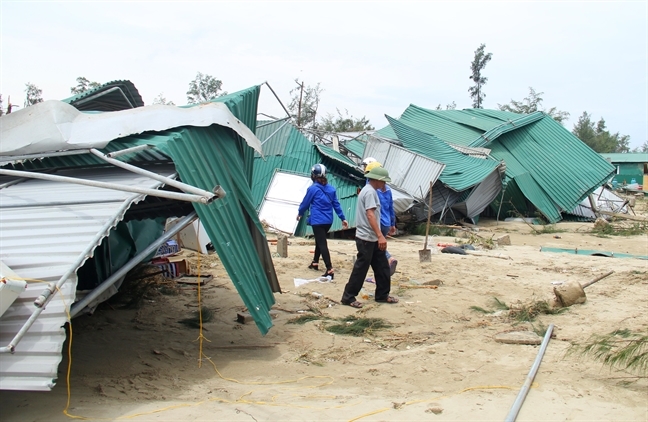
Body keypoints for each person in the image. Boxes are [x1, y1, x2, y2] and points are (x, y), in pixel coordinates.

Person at [341, 166, 399, 308]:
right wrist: (380, 235)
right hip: (367, 237)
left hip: (371, 237)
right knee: (361, 268)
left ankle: (382, 294)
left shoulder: (370, 191)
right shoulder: (370, 192)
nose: (384, 184)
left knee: (382, 266)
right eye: (383, 181)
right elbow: (370, 214)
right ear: (377, 180)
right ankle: (348, 297)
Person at [297, 164, 348, 279]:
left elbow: (305, 203)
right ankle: (315, 262)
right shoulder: (331, 189)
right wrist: (342, 218)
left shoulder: (312, 189)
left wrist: (300, 213)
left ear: (314, 176)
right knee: (320, 241)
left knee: (322, 243)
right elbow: (336, 204)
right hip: (328, 221)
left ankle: (329, 269)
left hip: (317, 221)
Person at [363, 161, 398, 276]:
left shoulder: (371, 189)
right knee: (378, 251)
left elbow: (370, 212)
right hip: (387, 222)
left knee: (376, 252)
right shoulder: (387, 190)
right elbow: (390, 207)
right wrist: (393, 224)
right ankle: (382, 276)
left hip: (376, 223)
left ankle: (389, 260)